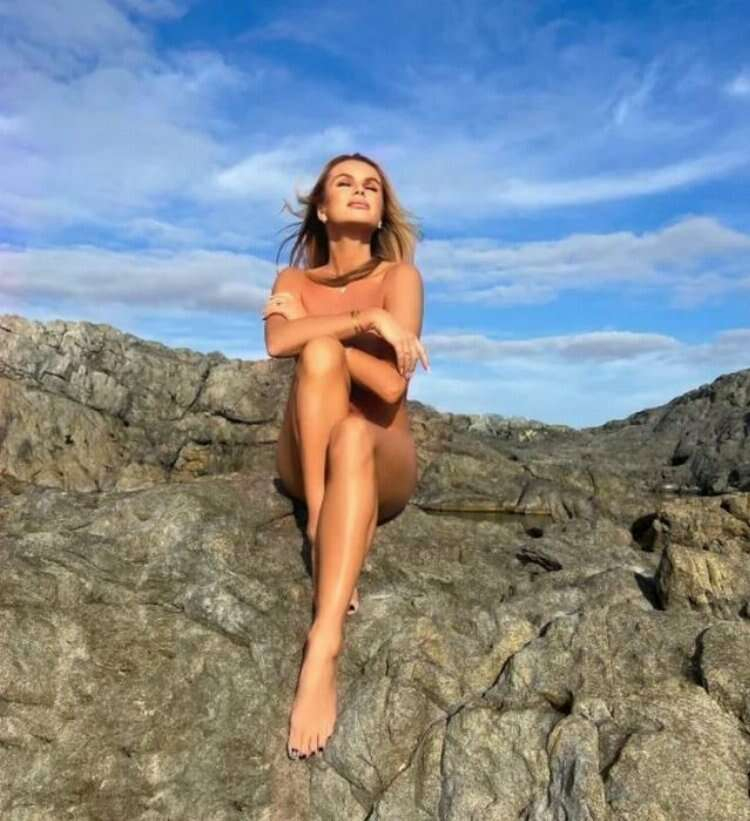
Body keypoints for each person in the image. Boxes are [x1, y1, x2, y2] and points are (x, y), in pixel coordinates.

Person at [261, 152, 430, 761]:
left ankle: (324, 645)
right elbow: (278, 341)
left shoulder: (400, 278)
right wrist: (365, 320)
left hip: (381, 453)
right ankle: (320, 522)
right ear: (323, 209)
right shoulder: (292, 281)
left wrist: (322, 328)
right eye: (344, 183)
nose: (359, 191)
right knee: (318, 356)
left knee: (353, 427)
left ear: (381, 211)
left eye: (372, 187)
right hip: (307, 461)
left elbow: (388, 386)